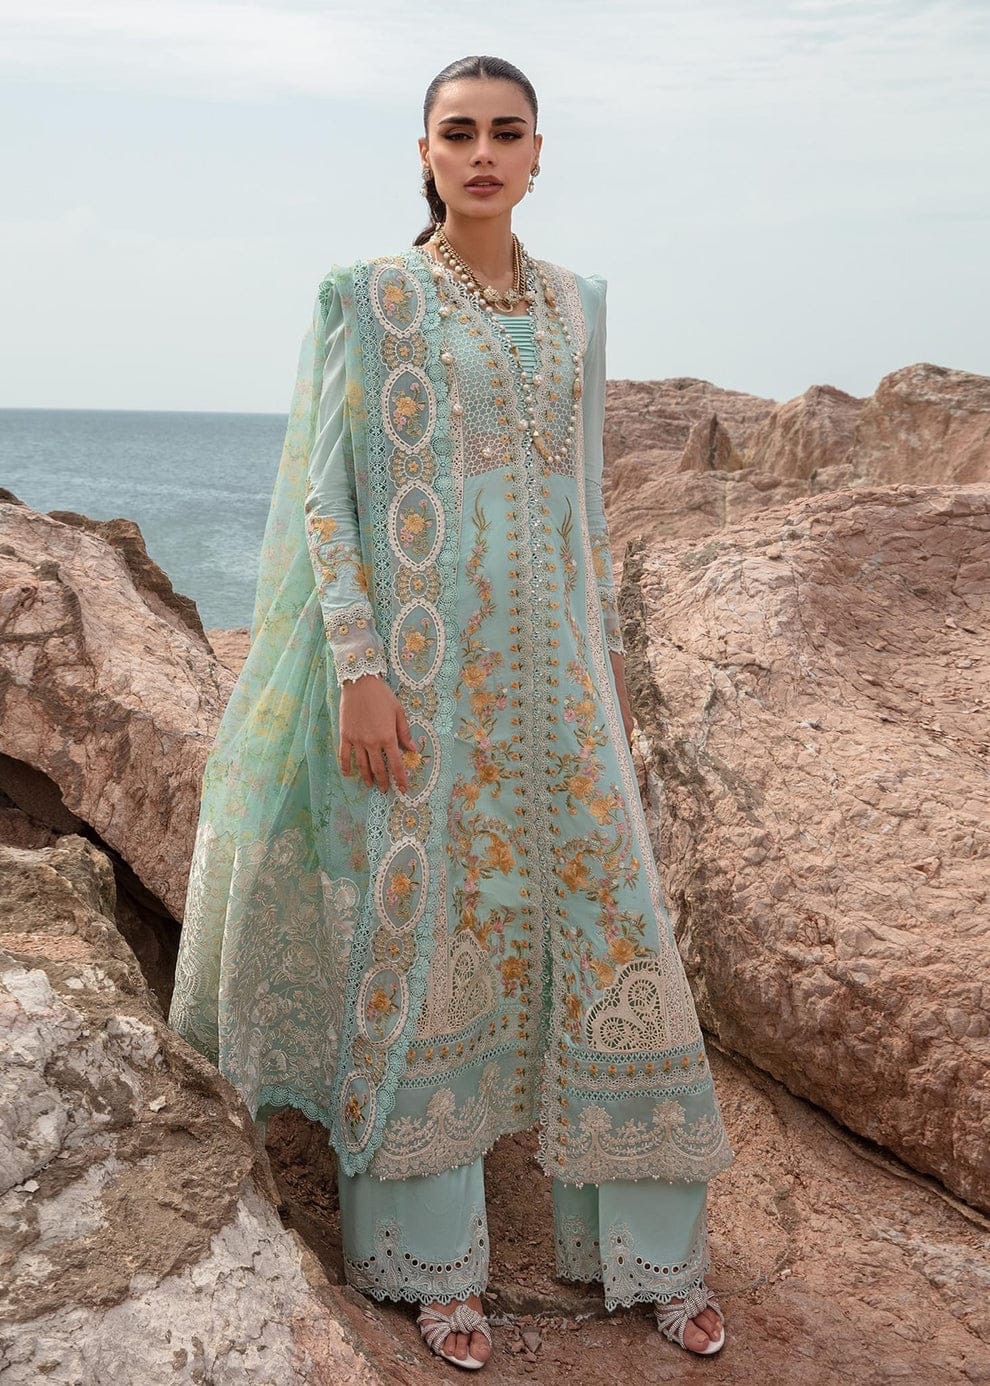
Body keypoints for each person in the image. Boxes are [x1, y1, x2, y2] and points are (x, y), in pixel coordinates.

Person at [168, 52, 735, 1373]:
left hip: (560, 691)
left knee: (614, 935)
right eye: (459, 132)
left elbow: (582, 508)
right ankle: (434, 1263)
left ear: (539, 154)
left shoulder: (582, 307)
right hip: (425, 688)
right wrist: (361, 668)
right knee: (429, 945)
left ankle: (653, 1254)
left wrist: (605, 674)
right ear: (423, 153)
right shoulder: (368, 298)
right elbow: (325, 498)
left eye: (507, 132)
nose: (483, 152)